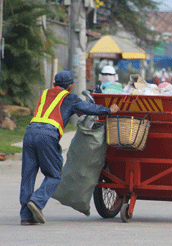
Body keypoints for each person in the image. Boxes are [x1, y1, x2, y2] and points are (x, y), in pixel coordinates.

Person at [19, 71, 120, 226]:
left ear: (53, 84)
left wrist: (77, 111)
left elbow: (60, 109)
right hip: (47, 135)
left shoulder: (44, 93)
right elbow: (87, 107)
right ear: (71, 86)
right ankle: (37, 201)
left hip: (30, 133)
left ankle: (26, 216)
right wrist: (109, 110)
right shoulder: (70, 97)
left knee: (28, 176)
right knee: (54, 175)